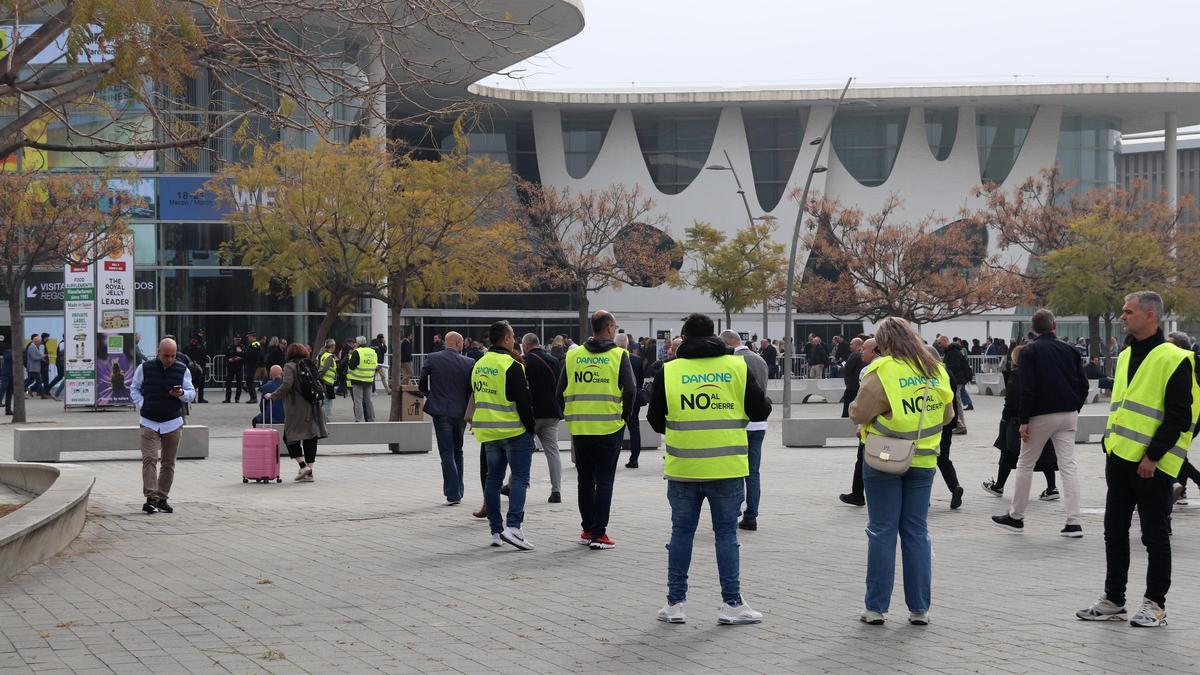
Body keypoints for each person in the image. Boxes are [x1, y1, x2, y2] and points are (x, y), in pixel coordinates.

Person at [1077, 292, 1199, 627]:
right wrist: (1108, 441)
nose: (1123, 317)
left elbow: (1178, 415)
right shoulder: (1128, 353)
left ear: (1150, 316)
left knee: (1154, 536)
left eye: (1129, 312)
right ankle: (1114, 599)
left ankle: (1155, 604)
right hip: (1118, 458)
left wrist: (1153, 456)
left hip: (1151, 466)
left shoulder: (1175, 358)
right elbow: (1124, 404)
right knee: (1113, 532)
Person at [647, 313, 771, 625]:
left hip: (683, 466)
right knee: (726, 536)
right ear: (714, 335)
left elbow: (654, 417)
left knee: (681, 535)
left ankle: (674, 604)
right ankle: (732, 603)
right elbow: (761, 409)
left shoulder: (669, 370)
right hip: (726, 467)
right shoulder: (736, 367)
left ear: (684, 338)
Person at [849, 317, 954, 626]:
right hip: (924, 460)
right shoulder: (935, 370)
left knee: (882, 530)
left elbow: (860, 411)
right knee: (917, 532)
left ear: (883, 343)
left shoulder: (883, 371)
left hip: (885, 457)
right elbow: (947, 415)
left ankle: (876, 608)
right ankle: (919, 609)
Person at [992, 309, 1089, 538]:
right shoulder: (1071, 350)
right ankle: (1073, 521)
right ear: (1054, 325)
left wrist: (1024, 420)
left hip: (1041, 414)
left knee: (1025, 464)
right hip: (1068, 413)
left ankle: (1016, 517)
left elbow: (1028, 388)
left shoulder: (1030, 352)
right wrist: (1075, 406)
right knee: (1068, 465)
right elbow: (1083, 385)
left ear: (1033, 329)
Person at [558, 311, 636, 550]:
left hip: (580, 427)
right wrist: (624, 416)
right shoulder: (619, 355)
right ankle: (599, 533)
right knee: (604, 480)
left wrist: (570, 414)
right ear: (610, 328)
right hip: (609, 427)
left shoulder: (574, 355)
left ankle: (587, 528)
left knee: (585, 479)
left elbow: (559, 390)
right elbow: (631, 390)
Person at [470, 320, 537, 550]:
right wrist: (531, 429)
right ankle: (514, 527)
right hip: (513, 430)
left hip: (488, 431)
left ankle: (496, 531)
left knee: (492, 480)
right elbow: (524, 402)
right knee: (519, 478)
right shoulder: (512, 365)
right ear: (506, 339)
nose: (514, 340)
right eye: (513, 336)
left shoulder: (479, 364)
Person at [129, 338, 197, 514]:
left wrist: (181, 393)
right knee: (149, 459)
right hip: (149, 421)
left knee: (168, 463)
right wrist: (142, 404)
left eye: (173, 356)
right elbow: (134, 388)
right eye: (166, 355)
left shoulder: (182, 369)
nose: (169, 359)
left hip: (172, 422)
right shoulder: (144, 368)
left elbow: (191, 393)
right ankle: (151, 497)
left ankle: (162, 498)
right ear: (158, 352)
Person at [982, 344, 1058, 499]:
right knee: (1044, 452)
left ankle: (999, 486)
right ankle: (1052, 488)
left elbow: (1012, 401)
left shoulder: (1017, 375)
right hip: (1042, 419)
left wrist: (1005, 417)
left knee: (1008, 452)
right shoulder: (1042, 373)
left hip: (1018, 420)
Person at [719, 331, 769, 532]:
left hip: (739, 423)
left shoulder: (731, 362)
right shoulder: (760, 360)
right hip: (759, 424)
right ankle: (752, 515)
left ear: (727, 343)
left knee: (734, 470)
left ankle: (735, 508)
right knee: (754, 472)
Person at [420, 331, 475, 505]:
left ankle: (453, 494)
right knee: (458, 451)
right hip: (460, 412)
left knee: (447, 452)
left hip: (441, 410)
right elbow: (470, 390)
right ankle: (459, 489)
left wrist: (430, 395)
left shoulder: (432, 358)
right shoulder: (469, 362)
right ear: (459, 344)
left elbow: (422, 381)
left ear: (446, 343)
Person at [264, 343, 328, 482]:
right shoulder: (309, 364)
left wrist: (272, 396)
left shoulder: (289, 366)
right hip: (314, 405)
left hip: (298, 408)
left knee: (289, 437)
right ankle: (310, 473)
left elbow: (287, 384)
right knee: (311, 437)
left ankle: (303, 465)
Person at [521, 333, 565, 503]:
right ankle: (556, 491)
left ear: (525, 345)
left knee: (524, 451)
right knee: (553, 452)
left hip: (532, 415)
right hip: (552, 412)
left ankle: (513, 484)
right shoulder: (554, 360)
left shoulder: (524, 361)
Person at [839, 337, 877, 507]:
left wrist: (860, 424)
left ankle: (858, 494)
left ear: (874, 350)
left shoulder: (869, 371)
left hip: (873, 428)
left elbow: (865, 403)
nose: (861, 351)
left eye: (864, 349)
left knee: (864, 460)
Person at [623, 336, 647, 469]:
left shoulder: (614, 358)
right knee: (634, 429)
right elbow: (641, 379)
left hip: (618, 398)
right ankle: (634, 458)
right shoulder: (637, 360)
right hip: (635, 398)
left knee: (617, 429)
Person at [347, 336, 378, 422]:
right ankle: (371, 418)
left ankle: (359, 419)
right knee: (368, 401)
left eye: (356, 342)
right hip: (369, 379)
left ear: (358, 343)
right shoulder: (372, 352)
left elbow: (352, 366)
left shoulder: (356, 352)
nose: (355, 344)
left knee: (358, 401)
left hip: (357, 380)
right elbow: (375, 365)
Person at [841, 337, 865, 418]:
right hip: (861, 386)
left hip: (852, 387)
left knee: (847, 409)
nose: (850, 346)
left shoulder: (854, 355)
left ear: (857, 345)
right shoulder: (864, 355)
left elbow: (847, 369)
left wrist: (842, 368)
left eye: (851, 344)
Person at [316, 339, 339, 422]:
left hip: (324, 381)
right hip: (327, 382)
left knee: (324, 402)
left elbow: (319, 367)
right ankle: (327, 421)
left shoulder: (322, 355)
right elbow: (325, 368)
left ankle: (323, 420)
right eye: (334, 346)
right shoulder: (329, 356)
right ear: (332, 346)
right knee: (328, 403)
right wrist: (320, 378)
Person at [186, 331, 209, 403]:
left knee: (202, 382)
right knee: (194, 381)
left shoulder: (203, 342)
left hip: (202, 364)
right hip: (195, 364)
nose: (201, 335)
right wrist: (192, 361)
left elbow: (204, 352)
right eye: (200, 333)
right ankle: (193, 398)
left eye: (202, 333)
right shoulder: (194, 342)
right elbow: (190, 352)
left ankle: (201, 398)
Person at [224, 334, 246, 403]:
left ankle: (237, 398)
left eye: (239, 339)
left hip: (239, 367)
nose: (237, 340)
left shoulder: (242, 347)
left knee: (239, 383)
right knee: (228, 383)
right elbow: (226, 356)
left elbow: (245, 356)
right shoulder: (230, 346)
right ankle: (228, 398)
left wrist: (240, 357)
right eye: (236, 339)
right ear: (234, 339)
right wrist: (229, 360)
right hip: (231, 366)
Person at [243, 332, 261, 403]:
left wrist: (244, 352)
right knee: (249, 381)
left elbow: (252, 353)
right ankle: (252, 397)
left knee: (250, 381)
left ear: (252, 337)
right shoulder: (252, 344)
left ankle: (254, 398)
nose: (247, 338)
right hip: (250, 364)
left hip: (252, 365)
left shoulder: (255, 343)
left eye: (248, 337)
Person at [1, 340, 13, 415]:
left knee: (9, 392)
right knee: (3, 388)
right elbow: (7, 357)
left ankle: (8, 410)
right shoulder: (7, 351)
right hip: (6, 373)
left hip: (13, 374)